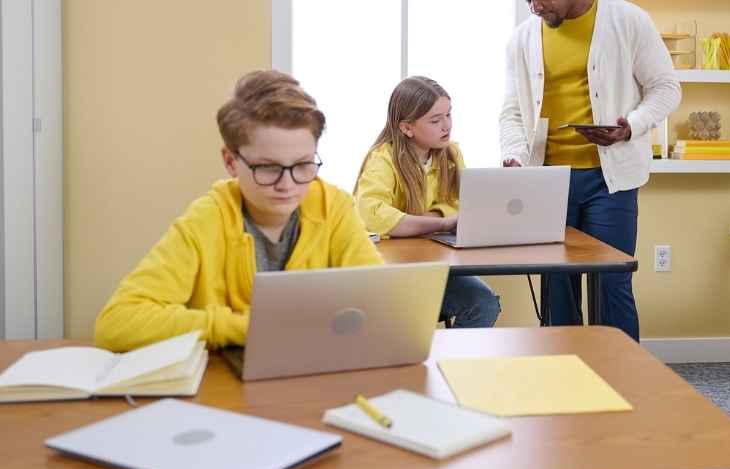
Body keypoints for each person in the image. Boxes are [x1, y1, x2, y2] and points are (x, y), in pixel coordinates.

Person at [95, 70, 383, 352]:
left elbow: (381, 303)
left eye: (303, 165)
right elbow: (117, 322)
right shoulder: (206, 219)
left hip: (316, 374)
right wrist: (247, 328)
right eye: (268, 168)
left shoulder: (335, 207)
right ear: (231, 162)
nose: (287, 184)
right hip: (229, 385)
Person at [500, 0, 680, 341]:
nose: (535, 7)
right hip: (547, 180)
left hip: (609, 180)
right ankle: (564, 379)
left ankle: (625, 379)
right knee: (556, 288)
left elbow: (666, 88)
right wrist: (514, 154)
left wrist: (631, 125)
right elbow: (512, 110)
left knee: (612, 283)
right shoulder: (522, 39)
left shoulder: (628, 20)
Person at [354, 76, 500, 328]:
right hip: (391, 273)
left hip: (436, 267)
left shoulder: (452, 154)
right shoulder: (383, 159)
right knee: (402, 321)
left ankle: (452, 365)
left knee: (483, 303)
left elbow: (465, 202)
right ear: (407, 128)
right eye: (435, 120)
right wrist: (441, 222)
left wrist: (432, 217)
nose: (446, 126)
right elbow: (374, 216)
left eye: (448, 115)